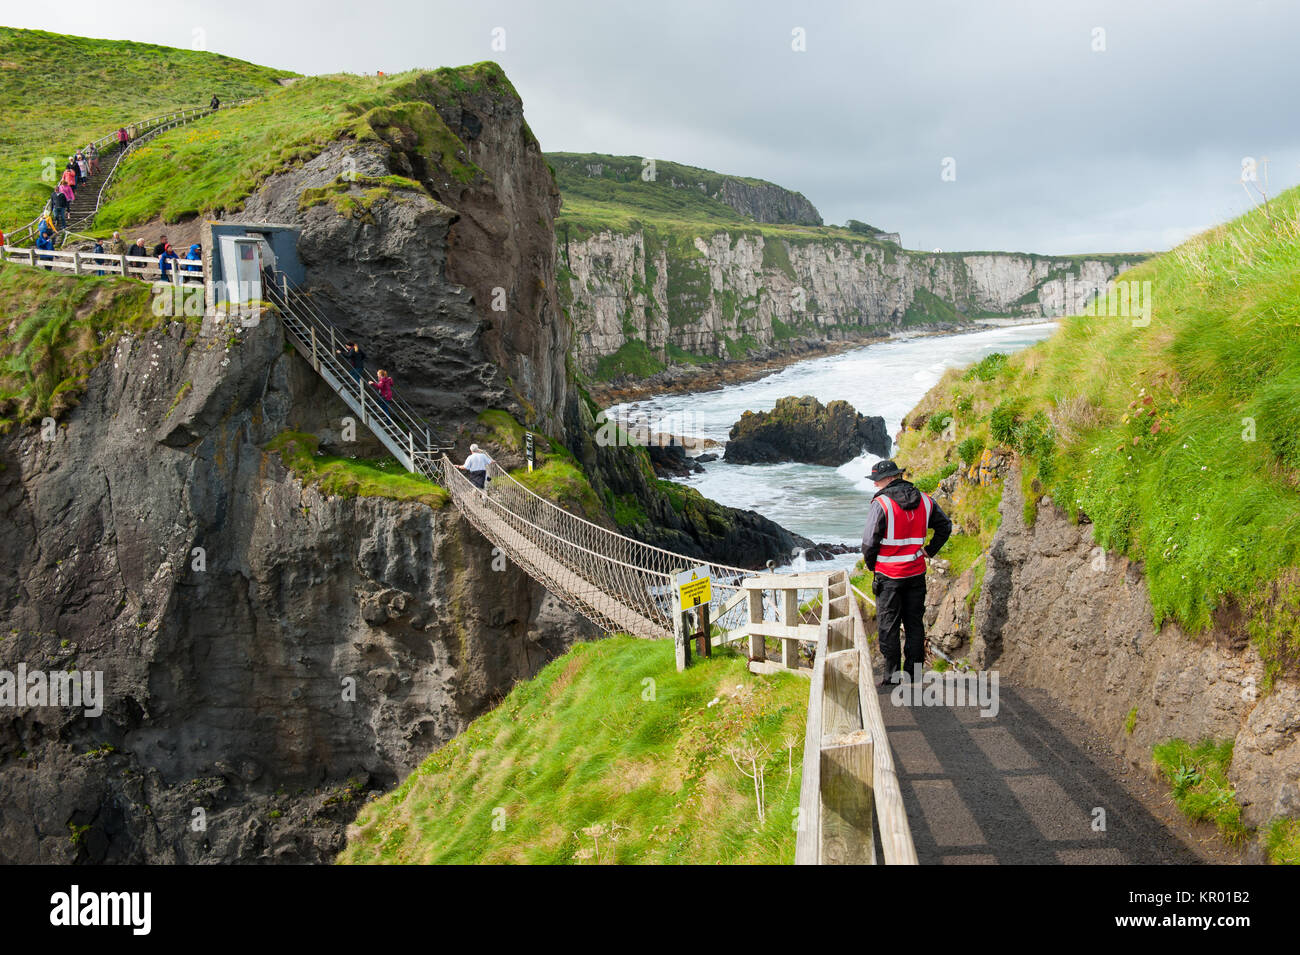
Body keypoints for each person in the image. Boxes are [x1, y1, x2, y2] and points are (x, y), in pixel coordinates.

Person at [860, 459, 952, 687]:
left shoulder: (881, 504)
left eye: (877, 480)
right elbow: (945, 526)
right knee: (914, 625)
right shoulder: (926, 501)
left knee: (888, 626)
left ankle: (892, 677)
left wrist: (873, 566)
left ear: (889, 478)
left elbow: (869, 543)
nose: (875, 484)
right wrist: (930, 550)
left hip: (888, 576)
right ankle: (914, 675)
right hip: (915, 573)